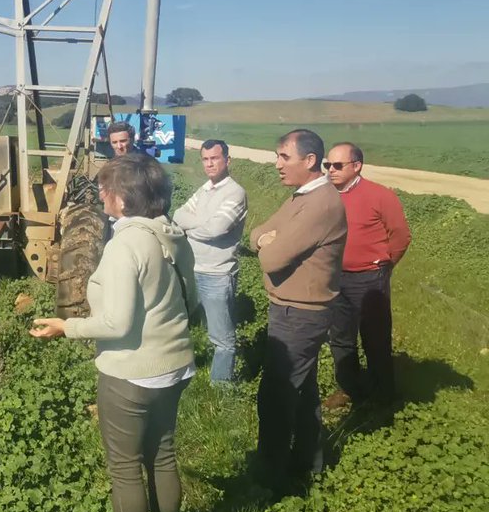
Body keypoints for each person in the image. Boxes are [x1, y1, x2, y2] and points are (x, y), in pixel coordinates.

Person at [31, 153, 198, 512]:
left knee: (125, 467)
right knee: (163, 454)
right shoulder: (169, 234)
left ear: (123, 199)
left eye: (106, 188)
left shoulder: (126, 246)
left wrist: (65, 326)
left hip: (131, 373)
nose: (101, 194)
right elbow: (191, 297)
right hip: (174, 366)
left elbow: (116, 323)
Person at [249, 129, 347, 491]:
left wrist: (270, 242)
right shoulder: (300, 198)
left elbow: (271, 258)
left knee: (276, 396)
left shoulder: (320, 204)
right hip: (291, 309)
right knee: (303, 393)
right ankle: (309, 463)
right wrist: (266, 239)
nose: (277, 164)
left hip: (301, 314)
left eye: (283, 157)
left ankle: (269, 477)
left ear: (309, 161)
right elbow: (256, 234)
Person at [323, 143, 412, 407]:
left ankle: (383, 396)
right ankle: (350, 388)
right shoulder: (326, 195)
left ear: (357, 166)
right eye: (328, 165)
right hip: (335, 278)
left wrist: (383, 266)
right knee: (340, 339)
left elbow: (401, 236)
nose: (331, 171)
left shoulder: (380, 196)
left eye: (338, 166)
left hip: (369, 279)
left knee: (375, 339)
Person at [173, 139, 247, 383]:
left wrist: (192, 227)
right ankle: (184, 373)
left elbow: (216, 229)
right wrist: (202, 222)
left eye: (215, 158)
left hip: (217, 274)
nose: (210, 164)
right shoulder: (204, 189)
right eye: (205, 159)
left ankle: (220, 389)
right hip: (193, 269)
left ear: (227, 160)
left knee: (222, 339)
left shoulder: (235, 193)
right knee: (185, 325)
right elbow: (178, 215)